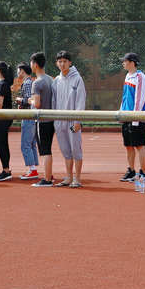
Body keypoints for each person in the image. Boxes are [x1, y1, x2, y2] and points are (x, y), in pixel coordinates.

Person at [52, 50, 86, 188]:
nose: (62, 64)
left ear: (70, 63)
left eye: (65, 61)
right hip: (59, 121)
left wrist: (77, 120)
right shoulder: (56, 81)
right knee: (65, 150)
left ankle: (77, 179)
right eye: (60, 61)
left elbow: (80, 100)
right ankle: (69, 177)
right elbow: (53, 101)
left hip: (73, 121)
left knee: (76, 150)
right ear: (56, 63)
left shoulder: (77, 79)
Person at [118, 52, 145, 182]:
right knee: (129, 145)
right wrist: (121, 112)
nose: (123, 63)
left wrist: (135, 118)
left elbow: (140, 99)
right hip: (126, 116)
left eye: (125, 61)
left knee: (139, 145)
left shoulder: (140, 77)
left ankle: (143, 173)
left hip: (136, 117)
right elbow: (125, 97)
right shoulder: (127, 76)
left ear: (132, 62)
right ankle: (131, 171)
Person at [29, 52, 56, 187]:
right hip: (51, 119)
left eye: (31, 63)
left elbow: (37, 103)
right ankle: (48, 174)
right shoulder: (50, 79)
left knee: (45, 150)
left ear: (35, 64)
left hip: (42, 120)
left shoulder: (37, 82)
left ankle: (47, 179)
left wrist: (30, 100)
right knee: (47, 148)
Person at [0, 61, 15, 181]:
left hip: (4, 117)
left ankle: (6, 170)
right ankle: (6, 169)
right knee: (3, 142)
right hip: (4, 117)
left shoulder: (3, 84)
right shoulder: (3, 84)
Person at [15, 63, 39, 180]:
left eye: (18, 70)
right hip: (31, 116)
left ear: (22, 71)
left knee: (26, 144)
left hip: (29, 117)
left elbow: (30, 101)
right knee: (31, 144)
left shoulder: (28, 83)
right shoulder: (29, 82)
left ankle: (32, 169)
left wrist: (20, 100)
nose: (17, 72)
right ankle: (33, 168)